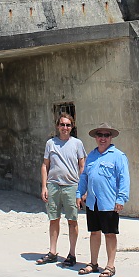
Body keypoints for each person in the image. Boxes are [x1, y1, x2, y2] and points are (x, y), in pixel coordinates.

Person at [76, 123, 130, 277]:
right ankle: (93, 263)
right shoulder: (91, 156)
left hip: (109, 202)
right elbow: (85, 176)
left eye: (106, 135)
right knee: (94, 233)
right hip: (93, 202)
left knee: (110, 234)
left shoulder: (118, 156)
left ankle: (110, 265)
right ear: (95, 137)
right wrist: (80, 193)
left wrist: (121, 198)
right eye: (100, 135)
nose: (103, 138)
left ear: (111, 137)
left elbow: (124, 179)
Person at [36, 113, 86, 267]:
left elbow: (82, 166)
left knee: (72, 220)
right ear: (58, 126)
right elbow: (45, 165)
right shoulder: (50, 143)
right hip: (53, 185)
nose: (65, 128)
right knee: (54, 219)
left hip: (71, 186)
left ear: (72, 127)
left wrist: (82, 189)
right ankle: (52, 252)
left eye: (68, 125)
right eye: (62, 124)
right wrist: (44, 186)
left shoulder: (77, 144)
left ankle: (71, 254)